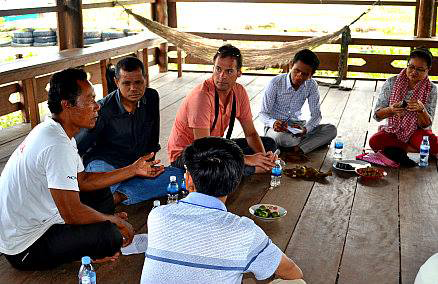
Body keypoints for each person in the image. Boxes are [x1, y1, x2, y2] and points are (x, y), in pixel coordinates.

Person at [0, 68, 162, 270]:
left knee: (101, 192)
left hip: (44, 216)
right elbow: (72, 214)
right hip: (26, 246)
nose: (96, 107)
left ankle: (88, 236)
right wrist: (112, 221)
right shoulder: (56, 145)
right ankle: (83, 254)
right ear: (66, 105)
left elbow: (82, 180)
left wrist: (133, 169)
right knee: (110, 237)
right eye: (89, 100)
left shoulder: (56, 129)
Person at [141, 137, 304, 283]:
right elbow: (293, 273)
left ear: (188, 179)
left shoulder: (158, 215)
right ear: (235, 183)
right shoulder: (245, 232)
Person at [76, 57, 184, 205]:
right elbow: (77, 148)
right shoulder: (102, 110)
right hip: (107, 164)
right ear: (116, 82)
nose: (133, 88)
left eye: (138, 82)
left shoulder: (151, 97)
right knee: (99, 190)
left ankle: (119, 195)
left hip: (136, 165)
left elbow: (152, 141)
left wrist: (147, 168)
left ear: (145, 79)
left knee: (179, 176)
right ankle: (119, 192)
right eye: (126, 83)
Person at [167, 44, 277, 176]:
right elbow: (203, 148)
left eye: (229, 71)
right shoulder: (201, 96)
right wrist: (248, 159)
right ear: (213, 68)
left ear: (239, 73)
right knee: (218, 167)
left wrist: (263, 157)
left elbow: (251, 134)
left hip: (214, 147)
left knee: (268, 143)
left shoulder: (239, 92)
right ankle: (244, 169)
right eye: (218, 69)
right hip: (189, 154)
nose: (222, 76)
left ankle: (249, 168)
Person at [259, 49, 337, 159]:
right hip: (276, 129)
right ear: (291, 65)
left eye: (305, 74)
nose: (299, 76)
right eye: (296, 71)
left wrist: (305, 129)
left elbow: (316, 115)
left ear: (311, 75)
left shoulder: (311, 85)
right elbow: (263, 114)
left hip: (298, 127)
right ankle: (302, 146)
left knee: (331, 129)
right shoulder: (275, 83)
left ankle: (296, 149)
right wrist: (273, 123)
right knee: (283, 139)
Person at [369, 48, 438, 166]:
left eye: (420, 69)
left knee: (431, 142)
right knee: (375, 141)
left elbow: (426, 125)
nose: (414, 72)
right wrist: (391, 110)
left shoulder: (431, 89)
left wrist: (421, 110)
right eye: (411, 67)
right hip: (394, 130)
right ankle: (416, 150)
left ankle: (396, 150)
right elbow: (377, 115)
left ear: (428, 70)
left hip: (417, 132)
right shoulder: (392, 82)